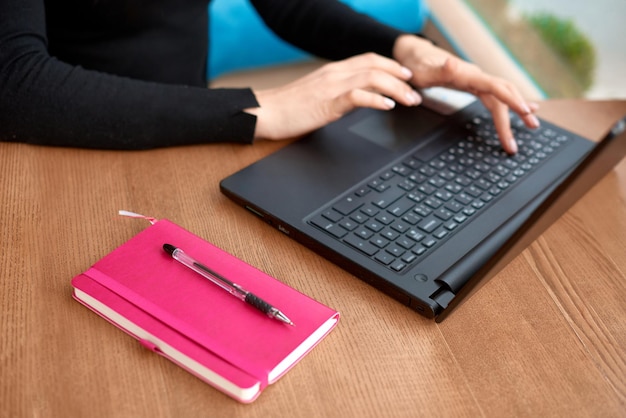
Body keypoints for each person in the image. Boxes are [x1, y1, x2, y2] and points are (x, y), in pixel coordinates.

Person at [0, 0, 539, 154]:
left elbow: (289, 6)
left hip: (188, 129)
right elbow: (16, 85)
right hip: (62, 148)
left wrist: (409, 50)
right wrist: (265, 108)